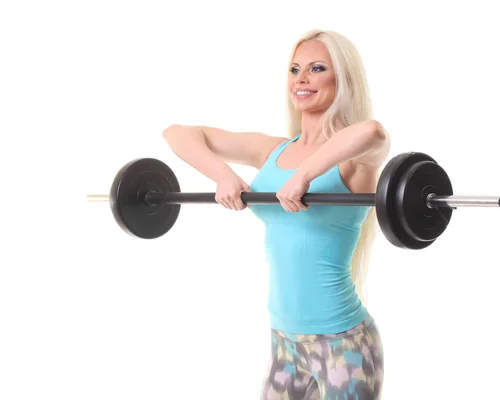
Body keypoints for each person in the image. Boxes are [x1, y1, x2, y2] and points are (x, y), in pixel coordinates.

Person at [162, 29, 390, 399]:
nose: (301, 78)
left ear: (343, 79)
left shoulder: (354, 158)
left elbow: (374, 133)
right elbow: (178, 133)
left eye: (317, 68)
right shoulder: (273, 151)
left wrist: (304, 175)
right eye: (294, 69)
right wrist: (224, 176)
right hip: (285, 342)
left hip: (344, 345)